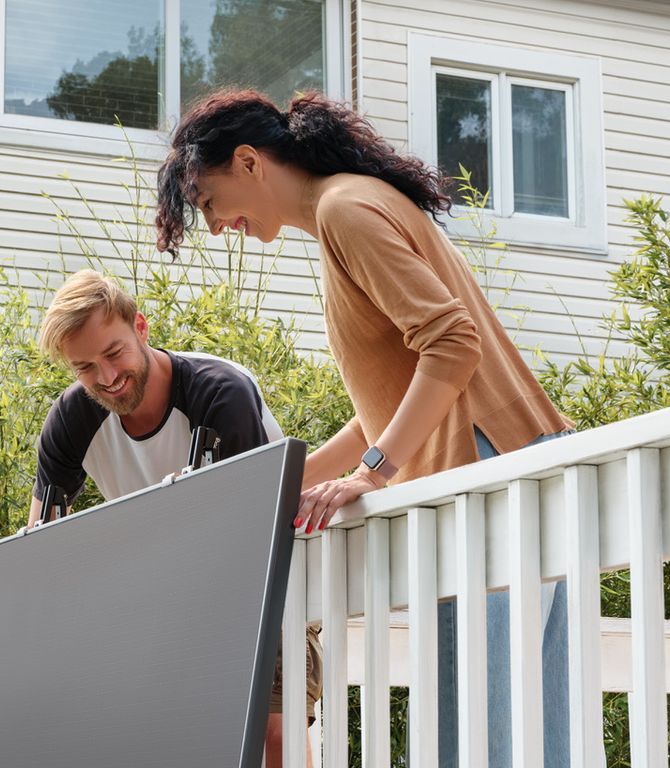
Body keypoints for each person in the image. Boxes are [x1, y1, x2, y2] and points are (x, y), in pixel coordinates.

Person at [155, 90, 574, 767]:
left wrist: (372, 472)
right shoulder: (346, 210)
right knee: (531, 742)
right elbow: (396, 395)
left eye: (208, 202)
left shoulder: (347, 210)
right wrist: (280, 486)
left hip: (486, 470)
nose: (213, 225)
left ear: (249, 162)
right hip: (516, 462)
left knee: (478, 743)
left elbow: (451, 345)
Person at [30, 269, 321, 768]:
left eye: (114, 353)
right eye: (84, 367)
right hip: (160, 606)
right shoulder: (71, 420)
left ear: (141, 328)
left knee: (270, 725)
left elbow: (247, 528)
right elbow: (42, 544)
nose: (105, 377)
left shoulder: (220, 391)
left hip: (263, 587)